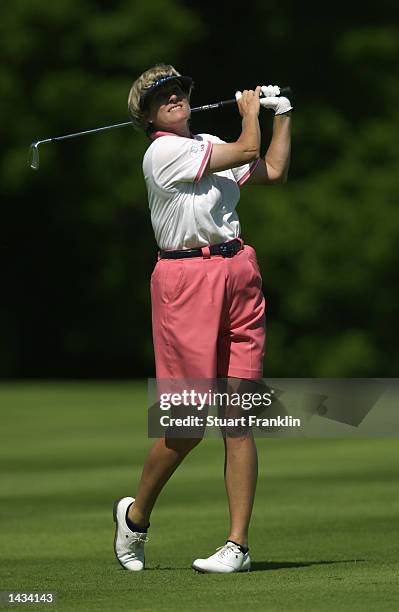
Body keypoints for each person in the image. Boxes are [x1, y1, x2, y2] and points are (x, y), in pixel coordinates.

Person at [113, 63, 292, 573]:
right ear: (147, 115)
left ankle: (237, 546)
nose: (172, 98)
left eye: (177, 90)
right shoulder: (163, 152)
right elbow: (247, 150)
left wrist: (282, 115)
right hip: (184, 282)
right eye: (160, 96)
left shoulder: (208, 142)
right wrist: (250, 114)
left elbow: (270, 169)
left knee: (239, 417)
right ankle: (136, 516)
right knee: (187, 425)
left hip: (237, 270)